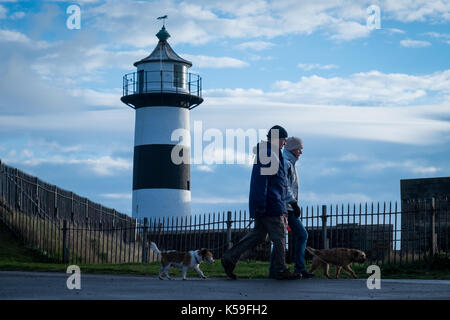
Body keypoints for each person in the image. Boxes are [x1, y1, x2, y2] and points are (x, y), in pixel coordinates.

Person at [221, 125, 301, 280]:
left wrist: (291, 202)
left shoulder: (271, 154)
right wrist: (261, 204)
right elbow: (262, 182)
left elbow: (278, 183)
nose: (285, 143)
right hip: (271, 204)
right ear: (278, 139)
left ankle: (230, 258)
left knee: (257, 235)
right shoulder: (269, 155)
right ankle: (280, 269)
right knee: (279, 237)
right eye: (284, 139)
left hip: (269, 203)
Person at [269, 136, 315, 279]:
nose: (301, 152)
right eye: (300, 149)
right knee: (300, 235)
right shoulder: (287, 163)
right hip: (286, 207)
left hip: (287, 206)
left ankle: (274, 270)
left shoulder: (289, 163)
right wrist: (294, 203)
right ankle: (299, 267)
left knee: (280, 239)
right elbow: (285, 186)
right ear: (293, 149)